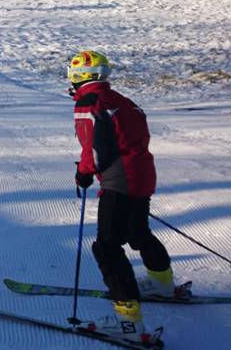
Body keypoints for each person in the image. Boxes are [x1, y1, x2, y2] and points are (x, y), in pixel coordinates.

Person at [69, 50, 180, 343]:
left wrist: (84, 173)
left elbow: (93, 147)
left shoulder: (89, 101)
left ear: (77, 75)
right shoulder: (121, 99)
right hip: (142, 173)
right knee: (137, 233)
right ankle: (163, 285)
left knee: (107, 247)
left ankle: (129, 323)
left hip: (120, 180)